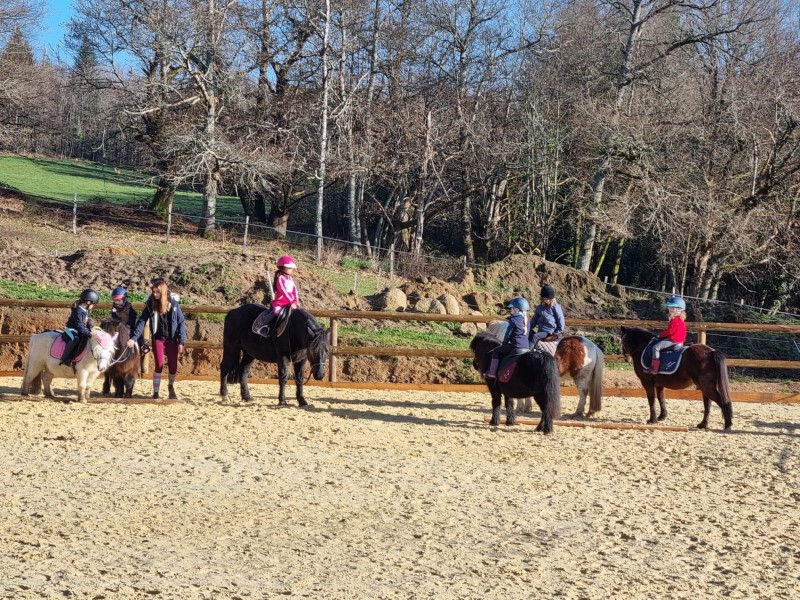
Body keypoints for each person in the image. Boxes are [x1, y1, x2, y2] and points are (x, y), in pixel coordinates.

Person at [127, 279, 187, 399]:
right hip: (158, 338)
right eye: (153, 292)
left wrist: (181, 341)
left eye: (157, 292)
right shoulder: (150, 304)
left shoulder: (174, 304)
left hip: (172, 339)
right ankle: (155, 392)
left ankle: (171, 386)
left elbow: (181, 322)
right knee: (159, 365)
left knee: (173, 365)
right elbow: (142, 321)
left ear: (163, 292)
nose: (154, 294)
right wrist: (134, 338)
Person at [485, 297, 530, 378]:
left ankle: (492, 373)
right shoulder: (527, 322)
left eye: (512, 308)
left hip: (516, 348)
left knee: (496, 351)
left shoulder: (513, 320)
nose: (511, 310)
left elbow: (508, 334)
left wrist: (504, 343)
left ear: (516, 309)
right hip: (527, 348)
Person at [260, 255, 300, 336]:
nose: (291, 270)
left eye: (292, 268)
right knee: (277, 313)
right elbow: (283, 291)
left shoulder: (290, 278)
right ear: (282, 268)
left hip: (290, 303)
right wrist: (292, 301)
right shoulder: (280, 278)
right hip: (280, 303)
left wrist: (296, 300)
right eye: (289, 268)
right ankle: (266, 327)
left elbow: (294, 290)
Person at [646, 295, 687, 373]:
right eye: (669, 307)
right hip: (680, 341)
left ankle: (654, 368)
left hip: (673, 340)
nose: (670, 309)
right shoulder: (681, 319)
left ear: (678, 309)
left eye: (672, 308)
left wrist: (660, 335)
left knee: (655, 347)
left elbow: (670, 331)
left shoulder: (675, 319)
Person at [60, 288, 99, 366]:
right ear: (88, 302)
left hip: (81, 329)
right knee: (75, 339)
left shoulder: (86, 310)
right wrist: (88, 333)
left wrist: (91, 329)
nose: (93, 306)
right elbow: (79, 326)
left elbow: (88, 321)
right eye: (93, 304)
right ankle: (65, 358)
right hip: (71, 329)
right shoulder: (77, 311)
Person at [528, 284, 565, 350]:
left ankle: (527, 352)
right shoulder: (539, 308)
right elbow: (534, 319)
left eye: (548, 299)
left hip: (549, 331)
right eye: (544, 299)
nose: (546, 301)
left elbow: (560, 319)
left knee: (535, 336)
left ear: (552, 299)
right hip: (541, 330)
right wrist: (529, 327)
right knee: (528, 332)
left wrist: (557, 331)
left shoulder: (556, 308)